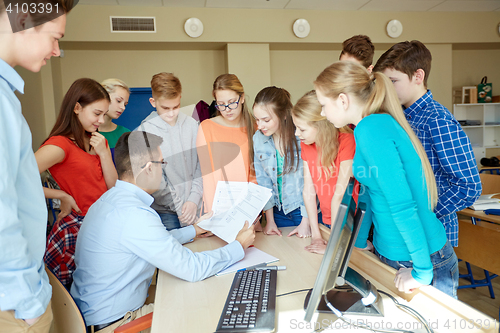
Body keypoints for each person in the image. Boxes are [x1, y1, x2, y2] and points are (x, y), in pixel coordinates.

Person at [71, 131, 255, 333]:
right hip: (118, 324)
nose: (163, 170)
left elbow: (153, 241)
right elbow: (192, 268)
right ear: (149, 169)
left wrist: (194, 229)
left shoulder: (109, 201)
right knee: (207, 301)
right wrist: (238, 246)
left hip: (92, 317)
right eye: (162, 163)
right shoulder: (136, 215)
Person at [314, 61, 458, 298]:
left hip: (419, 258)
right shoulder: (366, 127)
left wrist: (421, 272)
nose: (322, 113)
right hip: (395, 252)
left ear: (342, 100)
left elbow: (402, 204)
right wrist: (359, 241)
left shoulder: (372, 129)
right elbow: (371, 191)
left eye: (323, 105)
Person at [0, 1, 74, 332]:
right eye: (55, 37)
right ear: (24, 20)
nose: (57, 51)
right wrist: (29, 301)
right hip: (17, 303)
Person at [373, 40, 482, 247]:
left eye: (393, 81)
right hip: (408, 232)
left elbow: (469, 186)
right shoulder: (402, 117)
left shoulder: (437, 120)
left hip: (433, 236)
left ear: (418, 76)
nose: (387, 89)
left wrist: (425, 214)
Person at [35, 78, 118, 288]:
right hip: (76, 229)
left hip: (101, 224)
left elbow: (113, 188)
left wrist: (104, 155)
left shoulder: (98, 140)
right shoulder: (60, 145)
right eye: (96, 113)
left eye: (104, 114)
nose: (101, 120)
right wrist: (61, 195)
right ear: (77, 107)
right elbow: (16, 179)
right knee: (75, 293)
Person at [291, 90, 356, 255]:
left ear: (320, 126)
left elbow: (340, 196)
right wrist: (316, 235)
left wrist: (334, 244)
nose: (296, 134)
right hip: (327, 222)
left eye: (302, 129)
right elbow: (308, 191)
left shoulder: (347, 141)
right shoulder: (306, 144)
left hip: (349, 225)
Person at [137, 72, 202, 230]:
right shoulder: (144, 132)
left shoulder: (193, 125)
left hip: (196, 206)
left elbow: (202, 165)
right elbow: (156, 181)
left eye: (176, 107)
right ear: (153, 102)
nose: (171, 113)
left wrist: (193, 200)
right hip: (167, 213)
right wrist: (181, 209)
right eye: (165, 108)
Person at [252, 86, 309, 238]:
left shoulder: (302, 136)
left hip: (303, 211)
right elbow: (264, 182)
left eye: (266, 120)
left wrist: (306, 221)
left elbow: (310, 182)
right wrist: (270, 220)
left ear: (284, 114)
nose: (259, 126)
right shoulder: (258, 139)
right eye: (257, 119)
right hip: (277, 212)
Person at [197, 74, 256, 213]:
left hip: (247, 207)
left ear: (242, 98)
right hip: (216, 207)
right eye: (221, 105)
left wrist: (251, 210)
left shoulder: (255, 127)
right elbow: (207, 176)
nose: (227, 109)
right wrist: (212, 214)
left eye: (231, 102)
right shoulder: (206, 127)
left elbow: (256, 174)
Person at [99, 78, 131, 160]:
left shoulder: (125, 134)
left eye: (125, 104)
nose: (123, 107)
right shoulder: (84, 133)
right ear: (103, 96)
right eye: (118, 101)